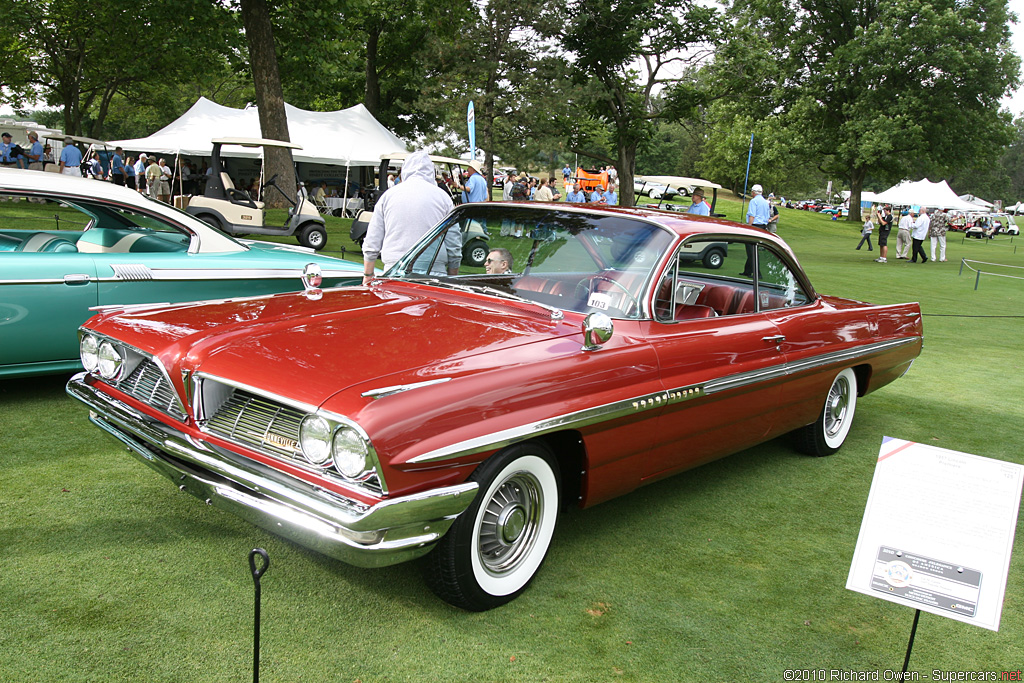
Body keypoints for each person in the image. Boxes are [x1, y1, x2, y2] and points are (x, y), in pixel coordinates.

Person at [362, 150, 456, 284]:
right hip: (433, 273)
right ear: (431, 172)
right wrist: (453, 275)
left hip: (395, 271)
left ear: (405, 170)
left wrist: (368, 274)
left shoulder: (389, 196)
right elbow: (453, 242)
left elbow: (373, 239)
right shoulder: (443, 198)